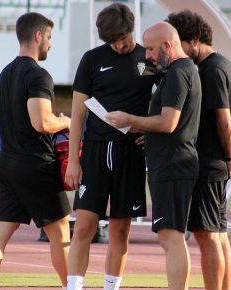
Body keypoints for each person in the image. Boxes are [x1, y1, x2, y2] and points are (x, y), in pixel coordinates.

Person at [64, 3, 160, 290]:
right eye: (112, 41)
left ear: (131, 29)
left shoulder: (148, 59)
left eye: (122, 38)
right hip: (94, 153)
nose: (119, 45)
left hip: (130, 154)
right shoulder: (92, 60)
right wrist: (73, 160)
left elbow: (169, 104)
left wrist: (149, 130)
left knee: (120, 230)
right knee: (83, 227)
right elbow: (78, 114)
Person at [107, 21, 202, 290]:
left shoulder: (176, 73)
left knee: (171, 238)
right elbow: (166, 122)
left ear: (167, 46)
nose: (146, 55)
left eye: (150, 49)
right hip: (172, 163)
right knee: (170, 237)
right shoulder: (181, 70)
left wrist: (131, 120)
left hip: (173, 165)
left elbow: (168, 122)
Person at [0, 12, 72, 290]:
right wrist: (67, 122)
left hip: (6, 162)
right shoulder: (38, 75)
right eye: (49, 37)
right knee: (61, 233)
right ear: (37, 36)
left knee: (0, 231)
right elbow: (42, 122)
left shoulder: (5, 73)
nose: (50, 44)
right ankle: (73, 286)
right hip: (35, 165)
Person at [166, 10, 231, 290]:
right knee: (218, 234)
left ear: (195, 40)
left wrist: (229, 159)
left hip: (209, 164)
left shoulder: (212, 70)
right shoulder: (221, 65)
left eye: (180, 42)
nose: (176, 49)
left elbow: (225, 120)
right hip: (216, 162)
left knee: (207, 235)